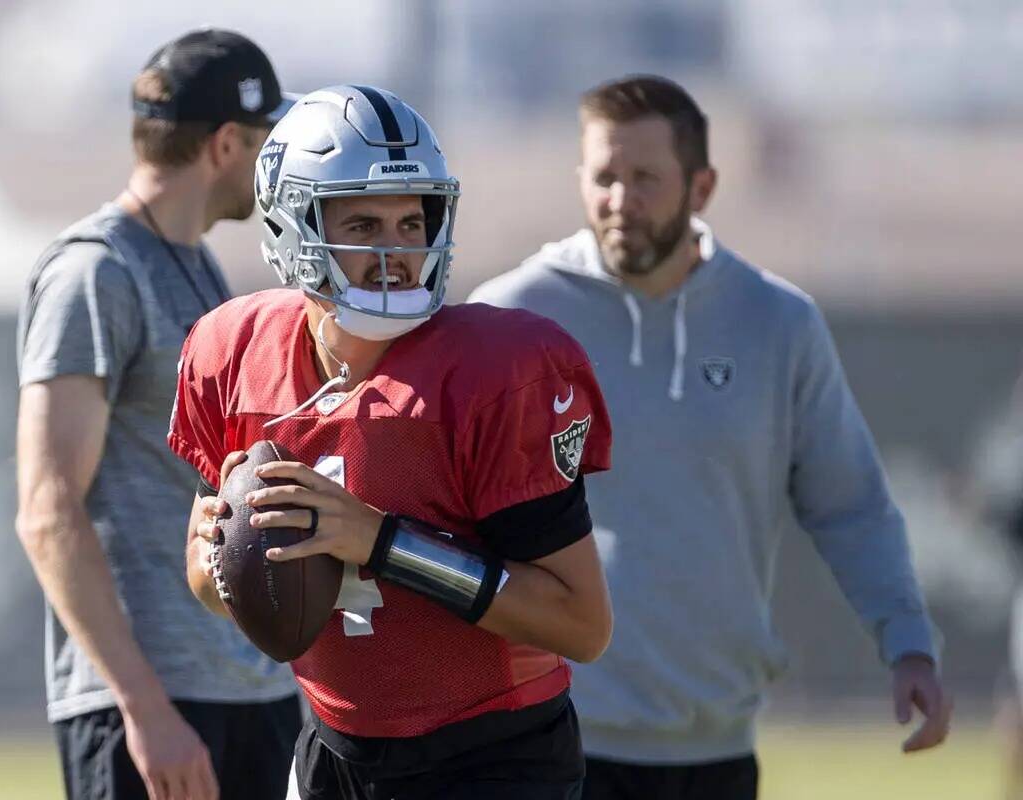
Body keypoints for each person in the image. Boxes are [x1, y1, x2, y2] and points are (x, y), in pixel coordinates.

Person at [468, 75, 953, 800]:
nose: (620, 200)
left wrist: (909, 644)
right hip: (546, 737)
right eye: (604, 176)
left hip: (717, 748)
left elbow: (850, 505)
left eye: (645, 178)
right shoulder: (508, 321)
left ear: (703, 187)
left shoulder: (779, 324)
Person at [169, 84, 614, 800]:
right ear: (292, 224)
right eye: (365, 222)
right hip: (330, 748)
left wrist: (381, 542)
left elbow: (582, 623)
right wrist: (227, 546)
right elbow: (204, 579)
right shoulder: (234, 350)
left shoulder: (495, 372)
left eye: (413, 221)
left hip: (492, 758)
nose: (397, 251)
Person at [15, 29, 302, 800]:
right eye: (267, 139)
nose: (278, 163)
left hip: (247, 694)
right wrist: (146, 711)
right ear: (225, 144)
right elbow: (47, 513)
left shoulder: (199, 264)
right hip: (155, 714)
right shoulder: (95, 272)